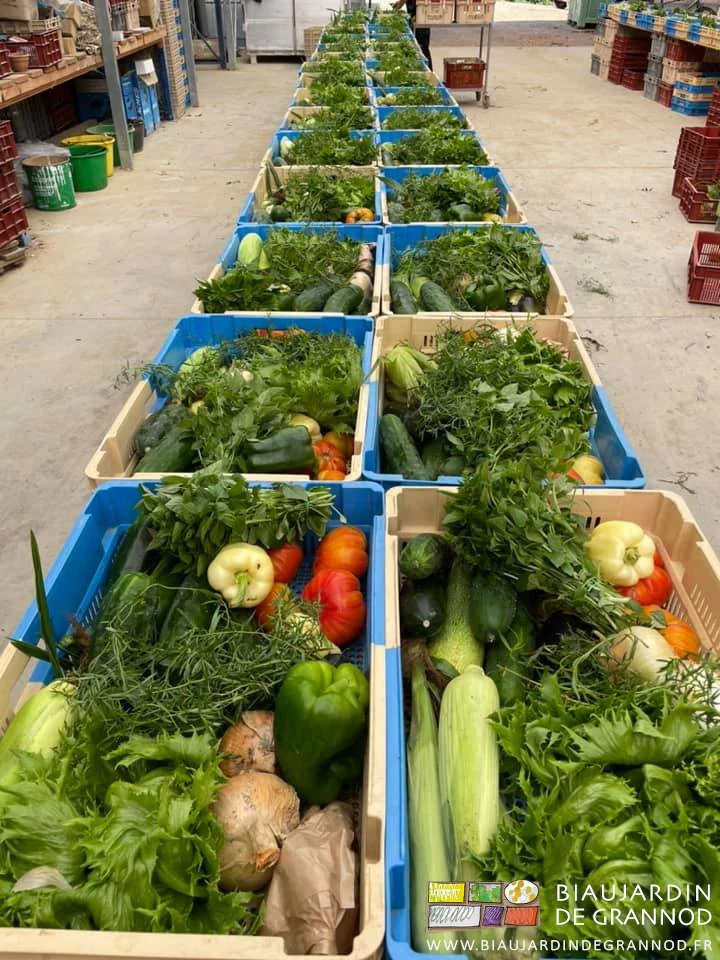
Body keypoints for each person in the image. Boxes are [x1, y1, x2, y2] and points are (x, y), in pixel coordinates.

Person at [392, 0, 433, 70]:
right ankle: (426, 71)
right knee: (421, 47)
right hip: (419, 16)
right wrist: (399, 3)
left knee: (422, 47)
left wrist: (398, 6)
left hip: (420, 17)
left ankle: (428, 72)